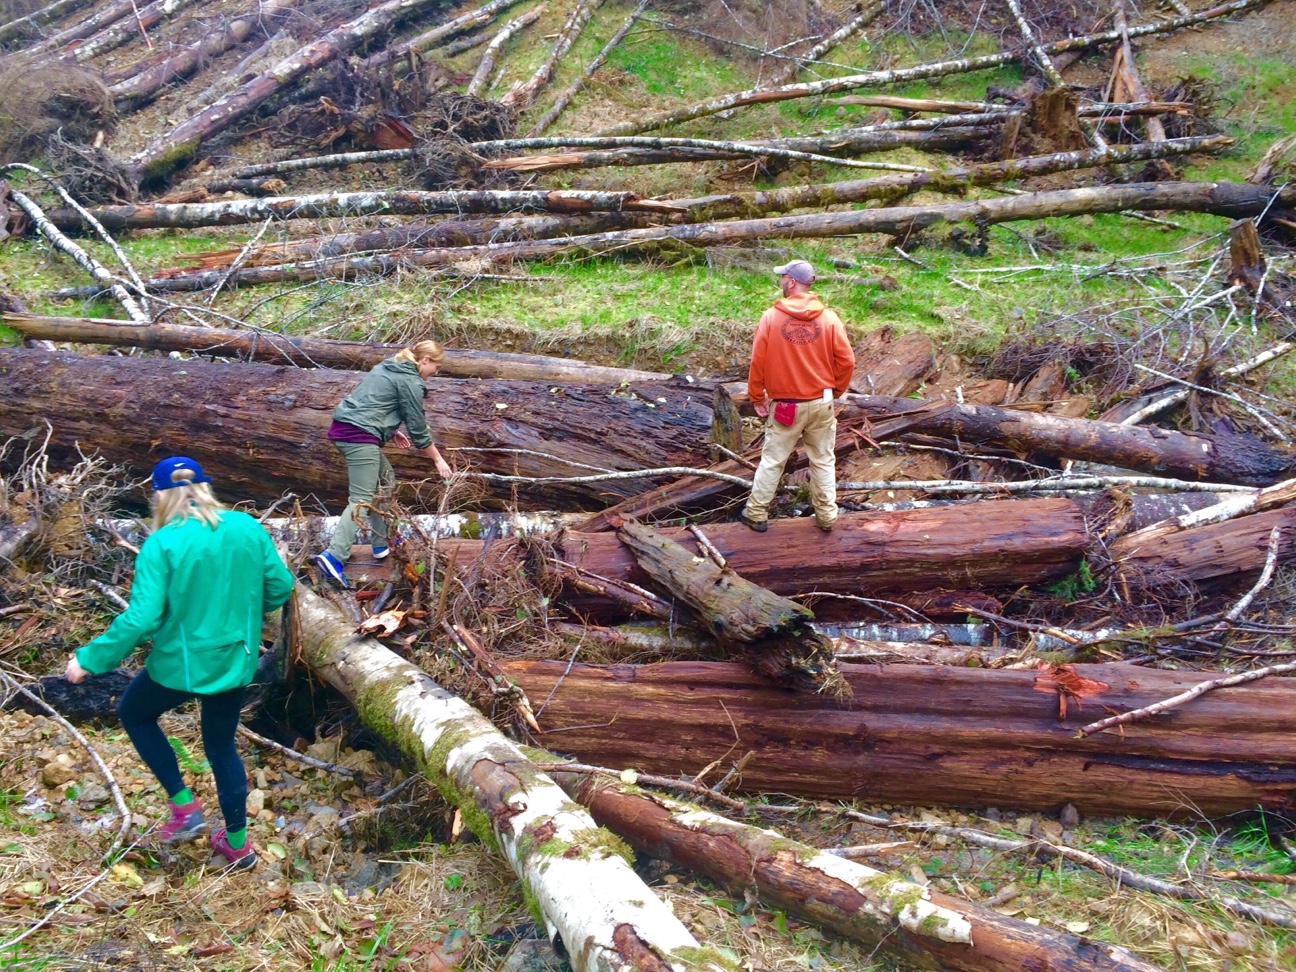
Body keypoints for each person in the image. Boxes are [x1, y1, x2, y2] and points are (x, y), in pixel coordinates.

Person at [65, 457, 295, 870]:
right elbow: (280, 586)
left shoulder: (162, 544)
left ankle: (185, 807)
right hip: (235, 660)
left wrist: (89, 659)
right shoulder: (245, 526)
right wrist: (241, 613)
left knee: (134, 713)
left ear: (159, 496)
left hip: (180, 666)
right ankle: (238, 845)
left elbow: (141, 618)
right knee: (221, 746)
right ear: (204, 487)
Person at [313, 341, 453, 586]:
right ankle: (334, 556)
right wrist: (438, 458)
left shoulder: (389, 367)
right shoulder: (411, 381)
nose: (436, 372)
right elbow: (418, 427)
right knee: (361, 499)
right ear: (425, 360)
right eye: (437, 367)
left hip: (348, 429)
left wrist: (390, 430)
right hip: (358, 437)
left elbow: (371, 402)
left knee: (386, 479)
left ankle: (382, 541)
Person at [742, 259, 855, 533]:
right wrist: (835, 391)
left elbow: (757, 361)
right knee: (823, 460)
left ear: (791, 282)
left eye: (783, 277)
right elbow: (847, 361)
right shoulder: (829, 319)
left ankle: (756, 513)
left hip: (786, 407)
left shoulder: (771, 318)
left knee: (773, 461)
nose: (781, 281)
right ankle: (827, 516)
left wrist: (756, 396)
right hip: (821, 402)